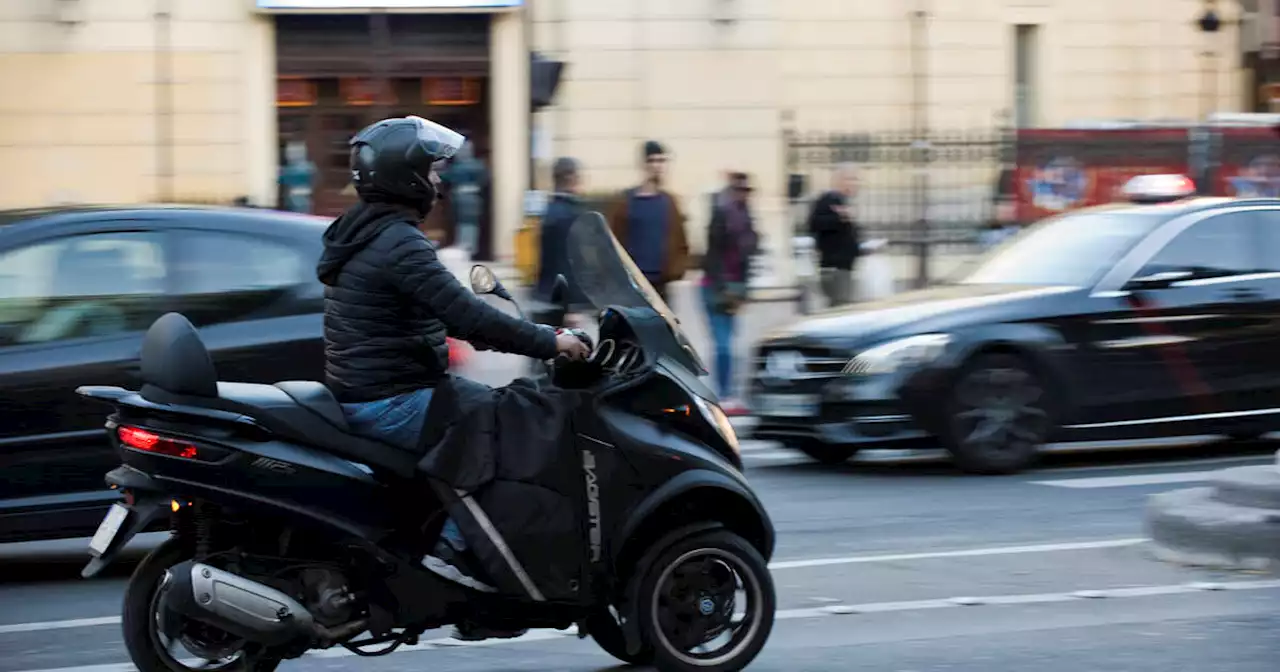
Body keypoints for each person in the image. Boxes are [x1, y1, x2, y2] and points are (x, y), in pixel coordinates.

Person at [316, 115, 589, 639]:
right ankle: (455, 552)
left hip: (371, 391)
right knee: (512, 423)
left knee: (489, 408)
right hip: (394, 397)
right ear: (408, 177)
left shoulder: (360, 233)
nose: (440, 183)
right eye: (432, 172)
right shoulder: (399, 243)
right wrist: (551, 341)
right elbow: (468, 317)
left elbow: (454, 314)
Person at [606, 140, 690, 303]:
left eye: (661, 161)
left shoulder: (669, 202)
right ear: (643, 164)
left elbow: (681, 241)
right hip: (633, 282)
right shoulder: (625, 202)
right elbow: (612, 239)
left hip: (661, 283)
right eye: (652, 161)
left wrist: (677, 270)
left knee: (664, 327)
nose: (657, 166)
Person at [701, 172, 757, 413]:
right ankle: (723, 395)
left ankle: (729, 393)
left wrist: (742, 292)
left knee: (731, 344)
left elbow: (748, 259)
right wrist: (724, 289)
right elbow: (713, 256)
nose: (743, 195)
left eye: (747, 191)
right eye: (739, 190)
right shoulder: (721, 215)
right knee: (723, 344)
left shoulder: (746, 219)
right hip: (715, 288)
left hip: (735, 289)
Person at [534, 157, 590, 313]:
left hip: (547, 293)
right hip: (563, 299)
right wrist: (571, 304)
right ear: (570, 178)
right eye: (578, 176)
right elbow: (568, 261)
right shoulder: (568, 213)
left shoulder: (551, 210)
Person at [807, 163, 861, 307]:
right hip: (834, 268)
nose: (855, 183)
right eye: (851, 179)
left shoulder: (842, 201)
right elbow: (814, 224)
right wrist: (840, 217)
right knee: (839, 308)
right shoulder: (828, 200)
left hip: (843, 267)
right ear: (839, 181)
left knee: (841, 307)